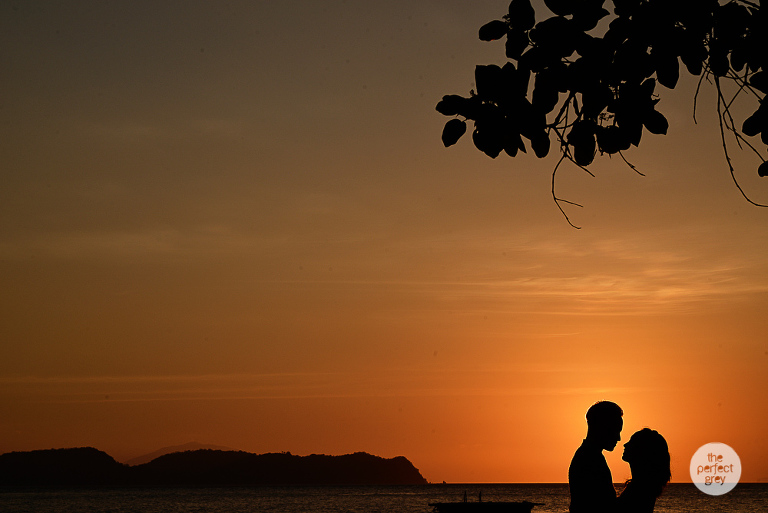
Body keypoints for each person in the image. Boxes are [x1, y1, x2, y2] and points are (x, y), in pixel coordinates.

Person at [568, 401, 623, 513]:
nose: (618, 438)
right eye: (615, 431)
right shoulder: (589, 459)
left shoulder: (590, 456)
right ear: (602, 427)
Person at [616, 428, 671, 513]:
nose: (625, 445)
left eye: (632, 442)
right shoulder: (642, 486)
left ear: (642, 450)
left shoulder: (640, 489)